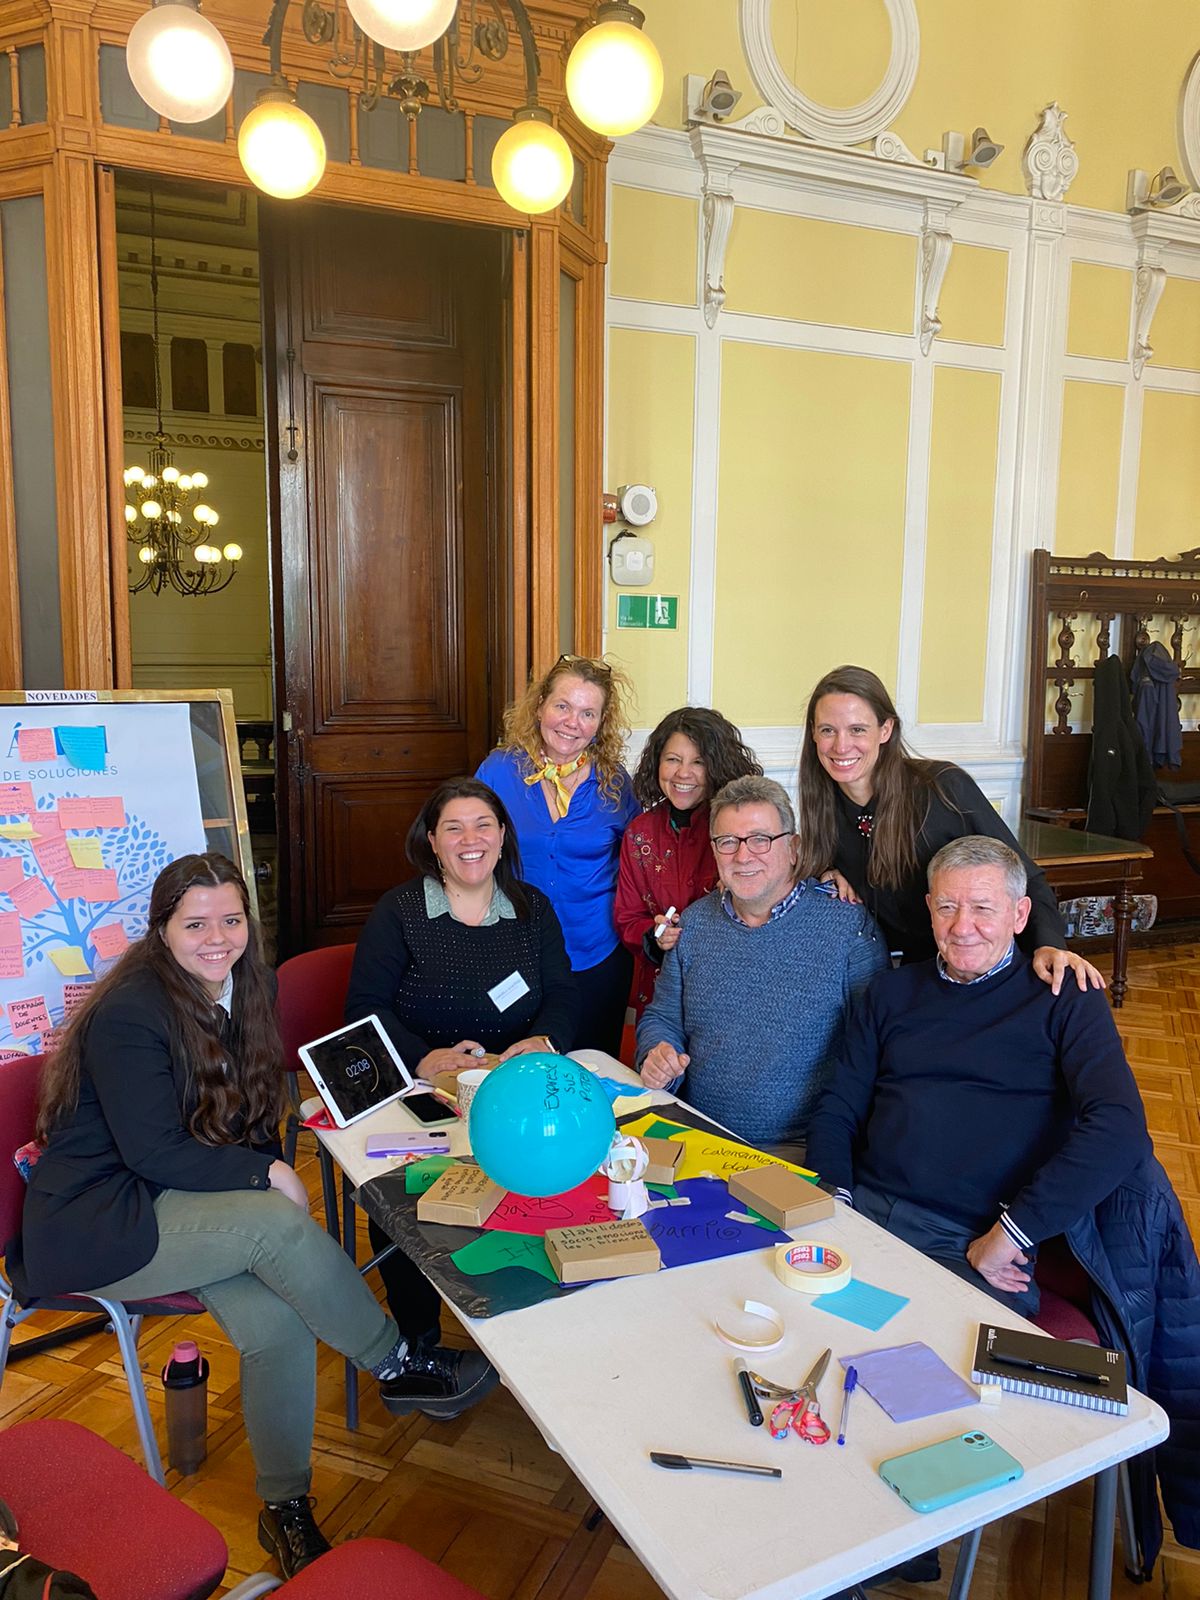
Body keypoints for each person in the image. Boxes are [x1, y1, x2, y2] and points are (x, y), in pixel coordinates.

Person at [9, 854, 432, 1580]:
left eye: (231, 921)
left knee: (279, 1326)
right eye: (196, 924)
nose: (217, 939)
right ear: (162, 930)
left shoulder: (249, 985)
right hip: (100, 1217)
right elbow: (152, 1150)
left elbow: (249, 1111)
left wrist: (262, 1157)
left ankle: (284, 1507)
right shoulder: (130, 1011)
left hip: (179, 1197)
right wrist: (265, 1172)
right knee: (273, 1224)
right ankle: (395, 1362)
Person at [806, 836, 1152, 1315]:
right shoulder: (890, 992)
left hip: (970, 1239)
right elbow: (839, 1105)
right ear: (929, 909)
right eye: (947, 907)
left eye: (983, 908)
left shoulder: (1064, 997)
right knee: (773, 1311)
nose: (962, 927)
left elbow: (1120, 1128)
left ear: (1020, 914)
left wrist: (1012, 1233)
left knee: (929, 1355)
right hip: (863, 1209)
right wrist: (834, 1201)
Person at [345, 778, 575, 1393]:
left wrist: (545, 1039)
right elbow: (364, 1009)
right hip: (421, 1092)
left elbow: (563, 993)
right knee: (403, 1199)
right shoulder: (400, 911)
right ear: (432, 841)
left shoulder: (532, 908)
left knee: (544, 1176)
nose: (470, 839)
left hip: (514, 1089)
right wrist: (421, 1058)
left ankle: (528, 1321)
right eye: (454, 827)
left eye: (483, 825)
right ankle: (419, 1341)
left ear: (502, 836)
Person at [796, 664, 1104, 992]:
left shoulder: (943, 788)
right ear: (813, 733)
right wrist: (825, 873)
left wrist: (1049, 944)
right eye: (828, 730)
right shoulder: (822, 808)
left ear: (886, 730)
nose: (841, 745)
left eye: (857, 729)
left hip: (985, 965)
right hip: (916, 976)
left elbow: (1025, 878)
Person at [636, 776, 887, 1154]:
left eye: (760, 839)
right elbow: (663, 1017)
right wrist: (658, 1052)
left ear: (794, 848)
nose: (742, 856)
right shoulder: (694, 924)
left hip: (804, 1146)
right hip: (700, 1134)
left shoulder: (847, 927)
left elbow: (874, 1049)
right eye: (728, 841)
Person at [476, 654, 638, 1055]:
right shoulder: (498, 770)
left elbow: (640, 861)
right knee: (515, 1067)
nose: (572, 722)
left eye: (587, 713)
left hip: (596, 953)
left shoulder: (615, 783)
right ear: (539, 707)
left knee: (591, 1068)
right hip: (513, 949)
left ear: (601, 723)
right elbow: (469, 848)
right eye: (562, 706)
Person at [614, 706, 762, 1019]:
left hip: (731, 988)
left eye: (698, 762)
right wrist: (654, 935)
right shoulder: (639, 833)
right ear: (657, 762)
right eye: (673, 759)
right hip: (661, 990)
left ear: (718, 767)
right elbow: (628, 917)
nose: (683, 773)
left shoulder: (742, 828)